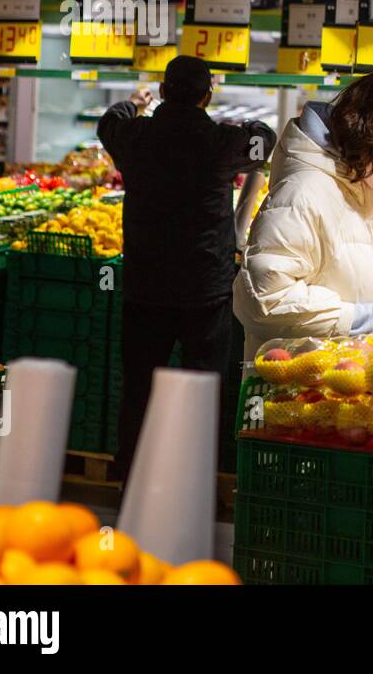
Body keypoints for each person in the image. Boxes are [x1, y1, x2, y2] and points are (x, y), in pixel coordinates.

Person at [98, 55, 276, 480]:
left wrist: (132, 103)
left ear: (161, 92)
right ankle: (195, 479)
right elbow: (265, 140)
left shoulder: (135, 135)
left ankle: (131, 474)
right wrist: (243, 128)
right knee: (203, 389)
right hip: (204, 287)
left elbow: (109, 122)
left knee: (140, 385)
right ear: (207, 95)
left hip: (146, 285)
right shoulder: (218, 141)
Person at [233, 67, 373, 358]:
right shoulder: (302, 193)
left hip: (350, 374)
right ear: (367, 134)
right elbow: (265, 298)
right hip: (298, 381)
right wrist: (369, 318)